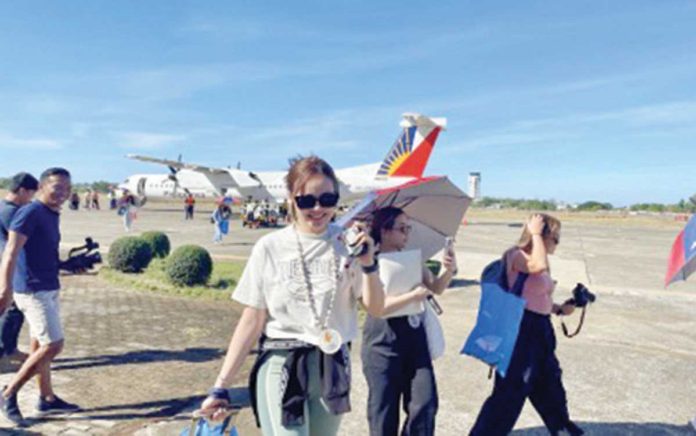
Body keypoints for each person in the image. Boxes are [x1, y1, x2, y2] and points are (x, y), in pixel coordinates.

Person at [197, 155, 385, 435]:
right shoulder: (270, 247)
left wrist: (369, 264)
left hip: (331, 366)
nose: (318, 208)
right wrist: (221, 385)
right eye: (307, 201)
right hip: (282, 362)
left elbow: (376, 309)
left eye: (328, 199)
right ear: (291, 200)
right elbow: (252, 318)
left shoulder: (349, 245)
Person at [470, 214, 583, 436]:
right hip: (521, 330)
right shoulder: (516, 255)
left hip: (541, 328)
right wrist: (536, 233)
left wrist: (561, 308)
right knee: (510, 392)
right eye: (555, 238)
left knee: (550, 383)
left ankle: (561, 427)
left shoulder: (542, 258)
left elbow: (538, 297)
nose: (557, 243)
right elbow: (537, 265)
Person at [361, 206, 457, 436]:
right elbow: (377, 308)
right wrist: (412, 297)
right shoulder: (368, 263)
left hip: (414, 338)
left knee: (425, 402)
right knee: (383, 410)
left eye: (408, 228)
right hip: (381, 341)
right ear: (384, 231)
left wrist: (448, 270)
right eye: (401, 228)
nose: (407, 234)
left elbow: (437, 287)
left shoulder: (413, 258)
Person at [0, 168, 80, 427]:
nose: (63, 193)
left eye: (67, 188)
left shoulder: (50, 213)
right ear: (42, 187)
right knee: (53, 345)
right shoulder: (30, 212)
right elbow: (10, 251)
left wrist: (68, 265)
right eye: (57, 187)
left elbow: (42, 252)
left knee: (38, 346)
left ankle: (46, 398)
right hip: (32, 290)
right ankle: (8, 394)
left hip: (48, 285)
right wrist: (5, 288)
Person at [0, 173, 39, 367]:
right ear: (22, 190)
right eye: (31, 194)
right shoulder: (12, 212)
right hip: (13, 268)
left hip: (8, 265)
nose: (31, 199)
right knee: (12, 310)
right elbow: (23, 242)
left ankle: (9, 349)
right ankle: (5, 350)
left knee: (12, 310)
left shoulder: (3, 207)